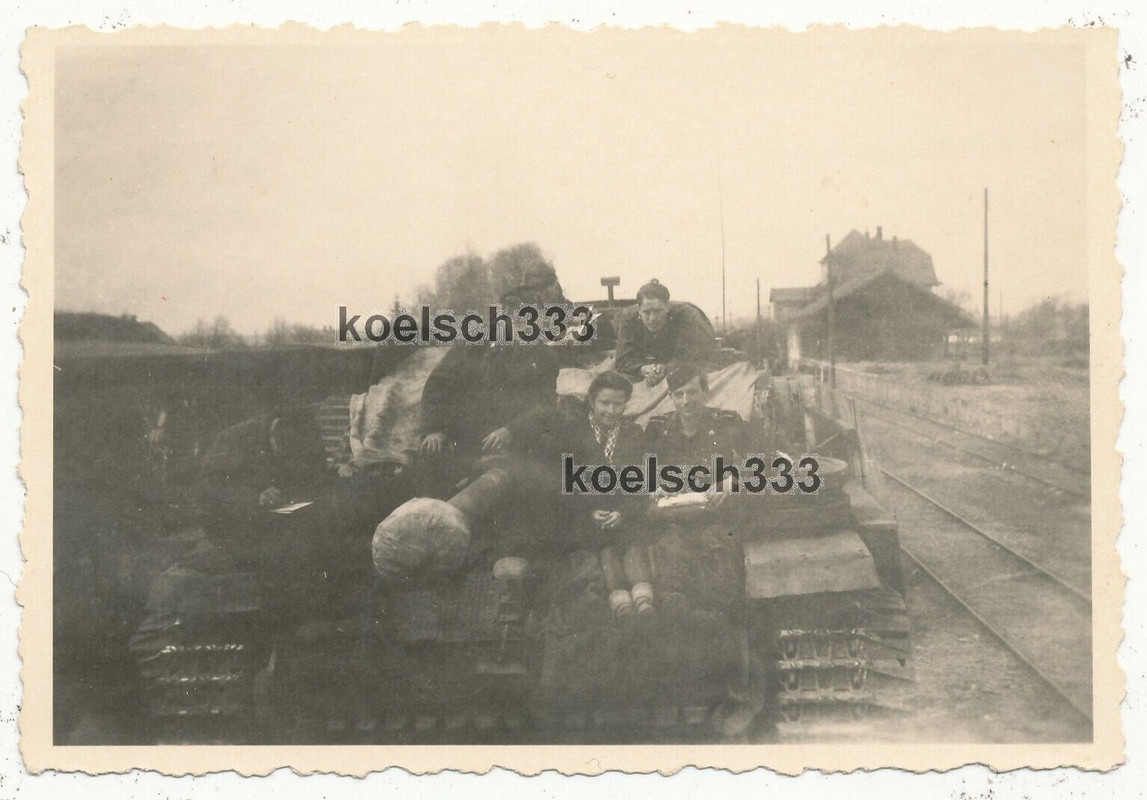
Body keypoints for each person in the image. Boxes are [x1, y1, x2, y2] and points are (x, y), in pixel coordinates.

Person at [417, 290, 561, 489]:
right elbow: (438, 384)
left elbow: (545, 405)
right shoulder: (474, 343)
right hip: (464, 435)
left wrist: (511, 430)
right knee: (426, 462)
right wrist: (435, 429)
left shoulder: (544, 356)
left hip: (512, 441)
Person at [550, 371, 653, 618]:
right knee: (604, 548)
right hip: (586, 519)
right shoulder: (572, 435)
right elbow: (561, 484)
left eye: (618, 404)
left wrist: (623, 513)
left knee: (632, 543)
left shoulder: (634, 435)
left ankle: (644, 600)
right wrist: (588, 513)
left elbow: (642, 486)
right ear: (592, 402)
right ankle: (620, 602)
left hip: (623, 517)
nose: (611, 410)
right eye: (604, 403)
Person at [613, 279, 718, 384]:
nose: (652, 318)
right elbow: (622, 360)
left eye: (658, 311)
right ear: (639, 309)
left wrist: (666, 369)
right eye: (647, 312)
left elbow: (694, 354)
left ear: (667, 307)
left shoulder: (686, 314)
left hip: (683, 357)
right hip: (650, 364)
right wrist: (643, 369)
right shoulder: (629, 317)